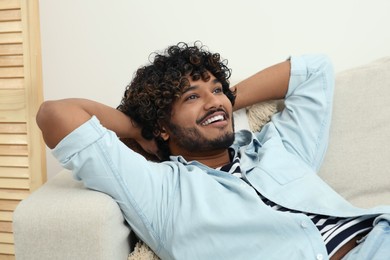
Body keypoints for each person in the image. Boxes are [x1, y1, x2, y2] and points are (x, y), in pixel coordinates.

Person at [36, 42, 390, 259]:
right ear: (161, 126)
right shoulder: (160, 191)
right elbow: (55, 115)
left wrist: (223, 99)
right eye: (191, 96)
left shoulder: (278, 149)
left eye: (217, 89)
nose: (214, 101)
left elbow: (315, 71)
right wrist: (139, 127)